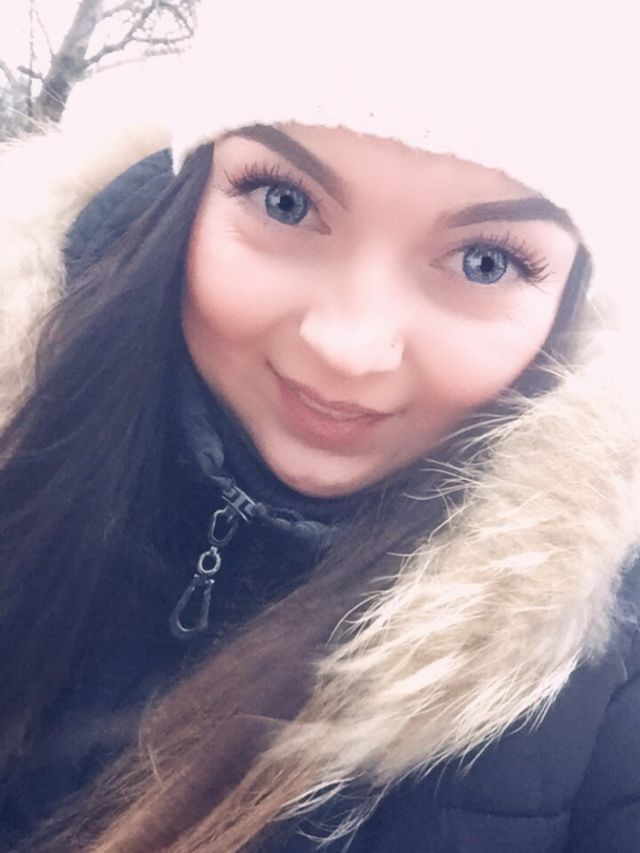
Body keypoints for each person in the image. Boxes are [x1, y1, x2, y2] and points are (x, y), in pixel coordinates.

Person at [0, 1, 639, 851]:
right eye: (285, 201)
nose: (349, 347)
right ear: (191, 194)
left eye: (484, 261)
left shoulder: (603, 672)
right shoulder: (26, 413)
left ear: (568, 295)